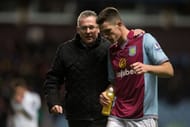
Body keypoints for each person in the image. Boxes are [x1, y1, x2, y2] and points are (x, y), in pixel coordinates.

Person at [43, 10, 144, 127]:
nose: (88, 31)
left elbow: (123, 73)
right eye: (84, 28)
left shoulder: (110, 48)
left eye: (91, 27)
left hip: (106, 115)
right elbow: (53, 80)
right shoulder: (65, 50)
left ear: (99, 28)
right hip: (76, 117)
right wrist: (53, 101)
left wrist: (134, 36)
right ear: (77, 29)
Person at [97, 7, 174, 127]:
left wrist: (148, 68)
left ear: (119, 24)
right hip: (117, 115)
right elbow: (115, 83)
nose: (106, 36)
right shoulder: (111, 51)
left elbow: (169, 70)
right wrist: (106, 93)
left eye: (108, 31)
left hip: (143, 116)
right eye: (103, 34)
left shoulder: (145, 40)